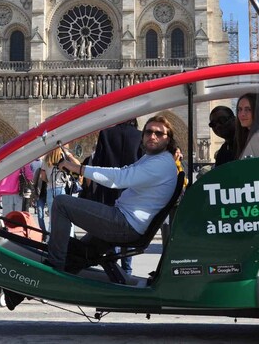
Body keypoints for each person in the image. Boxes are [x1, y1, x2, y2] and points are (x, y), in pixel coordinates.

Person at [46, 115, 179, 274]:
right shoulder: (153, 158)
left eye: (159, 133)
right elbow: (124, 171)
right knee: (80, 253)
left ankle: (54, 266)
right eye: (149, 132)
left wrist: (79, 169)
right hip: (125, 220)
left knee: (62, 204)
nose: (152, 136)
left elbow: (120, 178)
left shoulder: (160, 163)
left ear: (168, 139)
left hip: (125, 222)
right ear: (142, 136)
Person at [83, 119, 143, 274]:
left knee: (112, 229)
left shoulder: (106, 134)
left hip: (109, 190)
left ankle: (113, 265)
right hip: (131, 190)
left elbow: (98, 165)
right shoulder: (139, 136)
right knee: (128, 226)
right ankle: (127, 269)